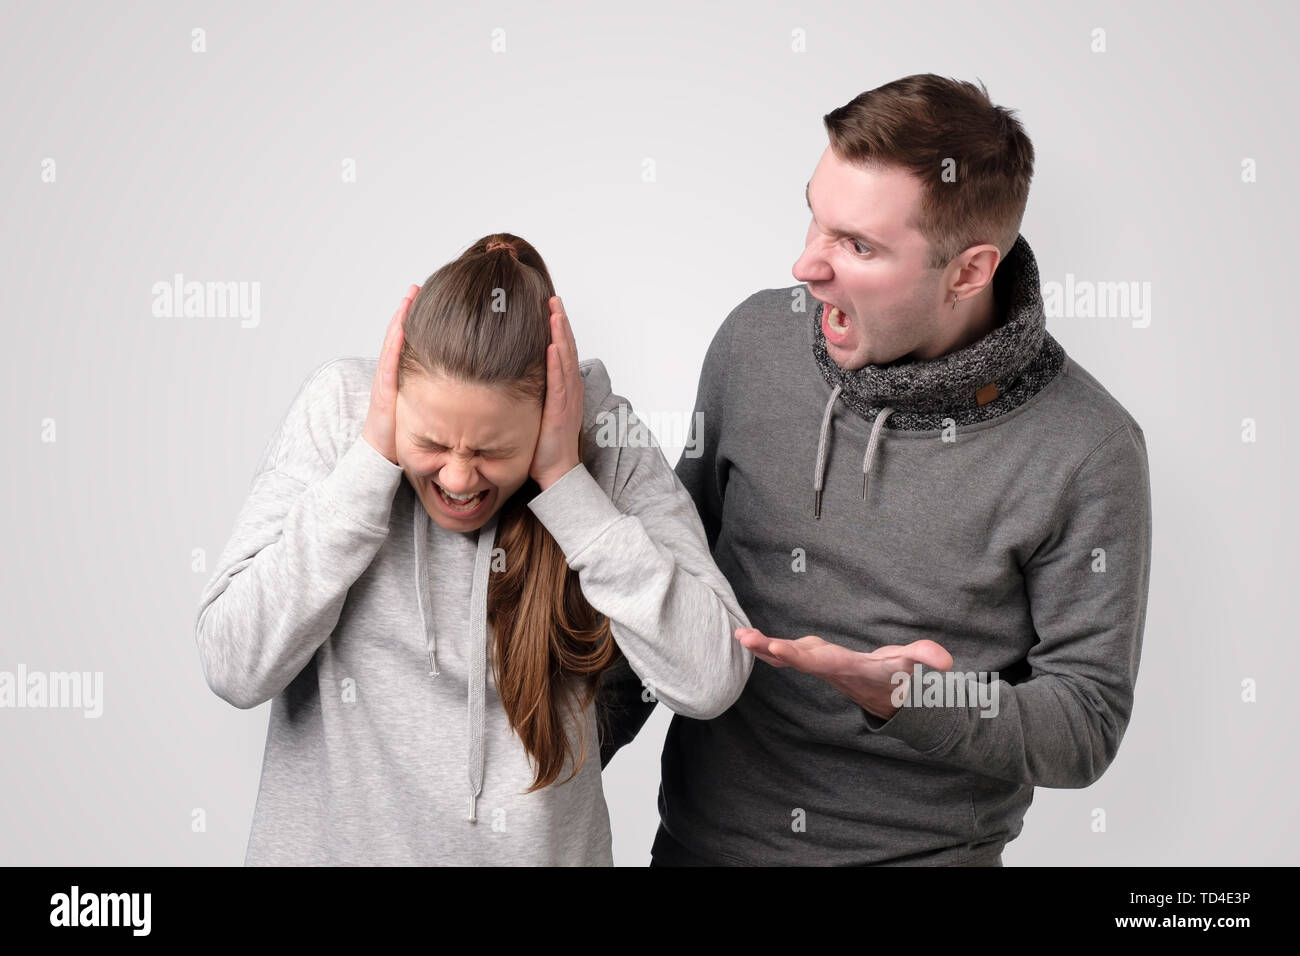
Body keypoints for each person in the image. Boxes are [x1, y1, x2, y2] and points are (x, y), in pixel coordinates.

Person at [598, 74, 1154, 866]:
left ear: (968, 272)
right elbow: (667, 592)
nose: (806, 266)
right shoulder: (755, 344)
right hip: (695, 849)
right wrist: (557, 761)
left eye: (857, 246)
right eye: (816, 220)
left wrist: (916, 699)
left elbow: (1086, 722)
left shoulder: (1088, 450)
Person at [194, 233, 753, 865]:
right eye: (431, 442)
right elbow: (233, 666)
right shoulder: (343, 412)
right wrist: (370, 464)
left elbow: (712, 677)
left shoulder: (602, 438)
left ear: (547, 420)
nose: (458, 479)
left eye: (492, 452)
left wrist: (567, 486)